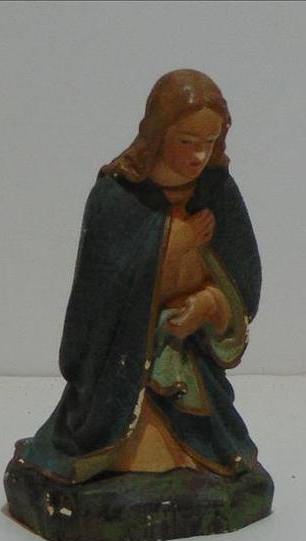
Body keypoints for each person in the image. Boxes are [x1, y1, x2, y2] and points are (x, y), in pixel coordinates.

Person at [14, 69, 266, 484]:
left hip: (190, 364)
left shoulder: (217, 191)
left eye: (208, 143)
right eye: (186, 142)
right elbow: (100, 293)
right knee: (129, 445)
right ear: (158, 133)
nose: (198, 157)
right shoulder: (117, 196)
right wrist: (178, 240)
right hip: (119, 370)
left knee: (212, 446)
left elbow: (243, 280)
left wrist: (209, 304)